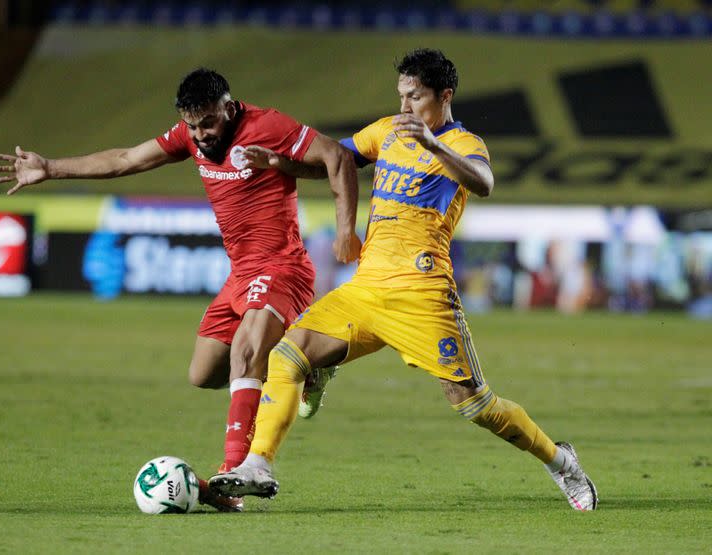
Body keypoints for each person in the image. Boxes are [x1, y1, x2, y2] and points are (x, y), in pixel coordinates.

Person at [209, 49, 598, 511]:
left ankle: (560, 461)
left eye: (415, 96)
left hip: (423, 293)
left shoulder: (465, 144)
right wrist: (279, 163)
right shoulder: (387, 131)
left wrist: (434, 145)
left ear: (444, 95)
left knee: (472, 403)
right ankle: (258, 464)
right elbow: (334, 161)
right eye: (401, 96)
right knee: (287, 354)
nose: (405, 107)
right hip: (367, 286)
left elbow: (484, 183)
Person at [0, 68, 361, 512]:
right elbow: (127, 159)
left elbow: (336, 158)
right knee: (204, 373)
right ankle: (308, 361)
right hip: (239, 273)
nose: (200, 134)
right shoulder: (190, 137)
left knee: (246, 353)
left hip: (282, 267)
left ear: (228, 108)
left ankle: (235, 475)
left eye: (208, 122)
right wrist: (51, 168)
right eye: (192, 125)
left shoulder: (268, 125)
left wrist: (345, 231)